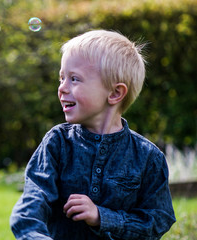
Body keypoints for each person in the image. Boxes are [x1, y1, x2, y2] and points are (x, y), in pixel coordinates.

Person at [10, 29, 176, 240]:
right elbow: (31, 206)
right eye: (61, 78)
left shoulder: (147, 157)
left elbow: (158, 221)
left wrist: (102, 216)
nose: (62, 88)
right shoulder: (57, 143)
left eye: (74, 79)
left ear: (115, 93)